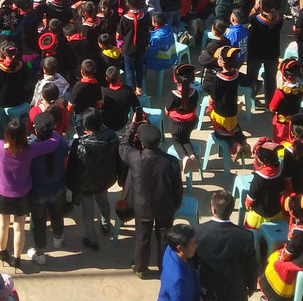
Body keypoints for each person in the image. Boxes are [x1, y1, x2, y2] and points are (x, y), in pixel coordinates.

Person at [119, 115, 184, 279]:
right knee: (165, 239)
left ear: (142, 143)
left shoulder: (135, 158)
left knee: (142, 237)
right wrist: (176, 205)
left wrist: (132, 125)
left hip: (142, 207)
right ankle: (165, 269)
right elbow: (178, 188)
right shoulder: (172, 162)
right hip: (165, 206)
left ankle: (141, 268)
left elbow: (123, 145)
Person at [0, 118, 61, 270]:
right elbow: (53, 143)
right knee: (19, 228)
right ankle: (17, 258)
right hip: (22, 195)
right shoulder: (29, 150)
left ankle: (3, 253)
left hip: (3, 193)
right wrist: (54, 131)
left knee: (2, 226)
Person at [66, 107, 120, 250]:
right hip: (104, 180)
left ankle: (92, 240)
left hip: (86, 185)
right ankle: (106, 224)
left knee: (88, 213)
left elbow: (74, 167)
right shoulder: (111, 137)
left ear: (85, 127)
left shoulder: (80, 144)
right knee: (103, 201)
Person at [194, 189, 257, 301]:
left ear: (213, 209)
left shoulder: (198, 232)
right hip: (235, 293)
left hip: (206, 291)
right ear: (232, 210)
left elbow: (193, 262)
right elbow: (251, 266)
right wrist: (252, 286)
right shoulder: (246, 236)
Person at [26, 111, 69, 265]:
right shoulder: (61, 142)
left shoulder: (31, 150)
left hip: (38, 193)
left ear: (36, 130)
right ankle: (58, 237)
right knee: (57, 214)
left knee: (39, 222)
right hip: (59, 188)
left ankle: (40, 253)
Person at [158, 223, 202, 301]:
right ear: (180, 248)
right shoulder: (178, 280)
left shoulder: (171, 248)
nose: (196, 246)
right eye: (193, 243)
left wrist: (200, 289)